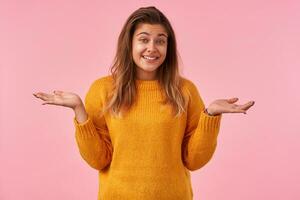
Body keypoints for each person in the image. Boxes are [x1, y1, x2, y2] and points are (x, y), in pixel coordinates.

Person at [33, 6, 254, 200]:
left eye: (160, 41)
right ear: (129, 43)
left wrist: (211, 115)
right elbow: (98, 160)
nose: (152, 48)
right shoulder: (103, 90)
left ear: (168, 47)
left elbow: (194, 161)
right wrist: (79, 110)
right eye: (144, 39)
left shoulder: (185, 90)